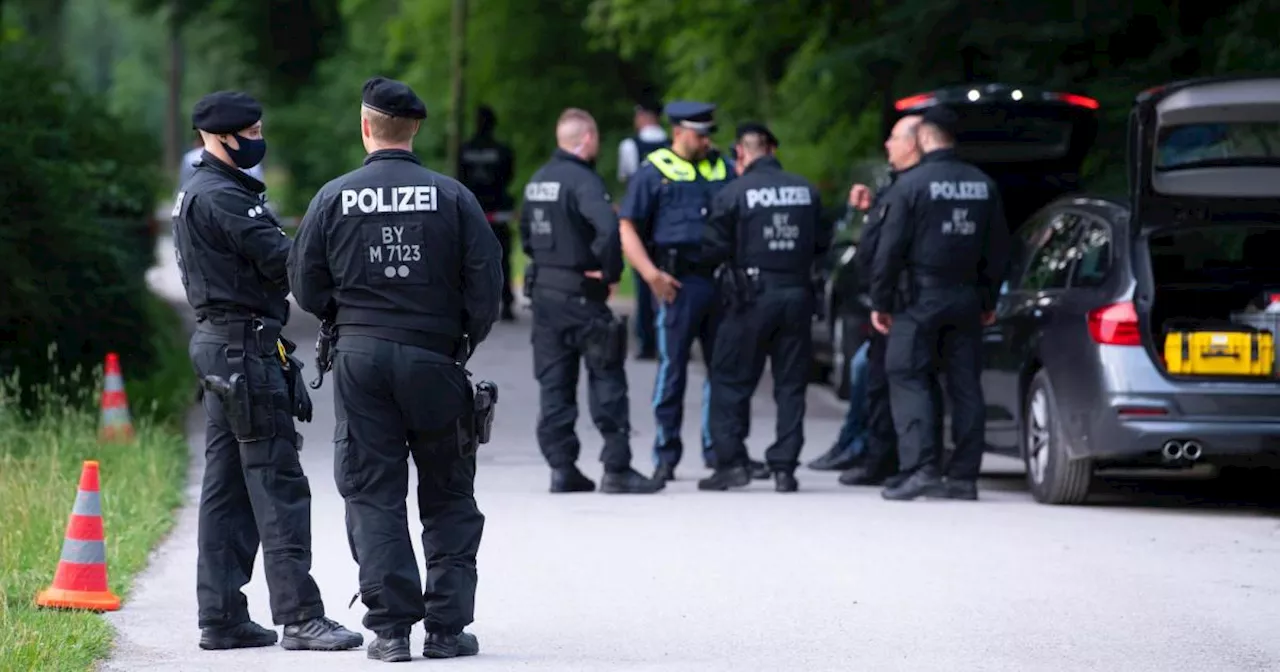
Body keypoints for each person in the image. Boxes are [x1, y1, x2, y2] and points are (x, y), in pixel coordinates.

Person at [286, 77, 503, 663]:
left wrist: (345, 322)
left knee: (372, 493)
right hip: (435, 358)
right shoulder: (454, 197)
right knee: (449, 492)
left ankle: (390, 632)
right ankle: (447, 630)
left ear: (365, 126)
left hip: (360, 360)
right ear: (415, 129)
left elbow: (304, 284)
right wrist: (461, 341)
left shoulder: (333, 197)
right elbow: (487, 286)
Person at [172, 91, 362, 653]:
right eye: (251, 130)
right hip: (243, 351)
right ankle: (300, 616)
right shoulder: (226, 197)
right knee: (277, 482)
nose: (258, 137)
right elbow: (288, 263)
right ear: (222, 136)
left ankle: (222, 615)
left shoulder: (204, 189)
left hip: (224, 347)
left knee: (228, 487)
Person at [867, 106, 1010, 501]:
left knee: (908, 377)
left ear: (924, 138)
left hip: (919, 300)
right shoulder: (983, 184)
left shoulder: (911, 185)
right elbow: (997, 249)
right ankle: (963, 477)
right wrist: (987, 297)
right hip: (966, 299)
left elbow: (889, 250)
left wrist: (881, 300)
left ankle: (921, 468)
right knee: (965, 386)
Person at [618, 100, 765, 483]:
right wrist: (650, 275)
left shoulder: (725, 168)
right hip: (677, 285)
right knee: (673, 372)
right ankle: (666, 456)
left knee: (726, 371)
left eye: (709, 134)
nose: (706, 141)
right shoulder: (655, 172)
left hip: (722, 283)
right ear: (679, 132)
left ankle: (722, 450)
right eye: (700, 134)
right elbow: (628, 226)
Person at [520, 108, 665, 495]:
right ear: (586, 140)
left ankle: (562, 468)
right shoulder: (583, 181)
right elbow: (609, 230)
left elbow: (526, 239)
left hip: (545, 298)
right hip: (582, 297)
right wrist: (611, 274)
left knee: (554, 385)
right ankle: (616, 469)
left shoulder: (538, 180)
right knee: (607, 381)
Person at [697, 122, 830, 493]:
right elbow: (823, 241)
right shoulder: (806, 191)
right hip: (797, 294)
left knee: (730, 381)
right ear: (772, 150)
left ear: (740, 153)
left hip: (750, 299)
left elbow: (711, 249)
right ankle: (785, 468)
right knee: (790, 385)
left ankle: (731, 463)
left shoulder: (734, 192)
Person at [617, 102, 669, 361]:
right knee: (668, 279)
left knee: (643, 280)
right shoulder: (673, 144)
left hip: (640, 223)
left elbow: (627, 179)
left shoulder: (630, 146)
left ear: (641, 115)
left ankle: (646, 341)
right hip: (668, 221)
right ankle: (667, 340)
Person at [458, 104, 517, 321]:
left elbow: (459, 179)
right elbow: (509, 176)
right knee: (503, 258)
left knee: (469, 259)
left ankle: (470, 304)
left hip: (473, 209)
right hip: (498, 210)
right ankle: (507, 303)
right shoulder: (503, 151)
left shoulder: (464, 150)